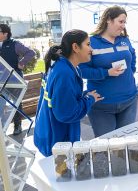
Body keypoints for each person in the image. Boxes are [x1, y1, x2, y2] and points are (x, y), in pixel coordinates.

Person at [34, 29, 102, 157]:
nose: (91, 49)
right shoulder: (64, 72)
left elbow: (62, 99)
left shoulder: (63, 66)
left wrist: (85, 95)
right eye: (88, 44)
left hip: (51, 136)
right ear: (75, 47)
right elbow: (66, 113)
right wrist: (89, 99)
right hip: (58, 144)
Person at [79, 6, 137, 137]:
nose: (123, 25)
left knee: (126, 142)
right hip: (102, 105)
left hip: (129, 101)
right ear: (109, 20)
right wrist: (106, 73)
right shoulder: (91, 42)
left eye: (124, 22)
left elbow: (132, 56)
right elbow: (82, 71)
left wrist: (130, 72)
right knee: (107, 146)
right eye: (120, 21)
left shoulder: (124, 40)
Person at [0, 24, 35, 135]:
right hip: (1, 80)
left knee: (16, 103)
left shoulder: (15, 44)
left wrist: (21, 63)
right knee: (1, 104)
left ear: (5, 33)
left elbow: (31, 52)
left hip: (15, 80)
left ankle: (17, 126)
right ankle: (2, 129)